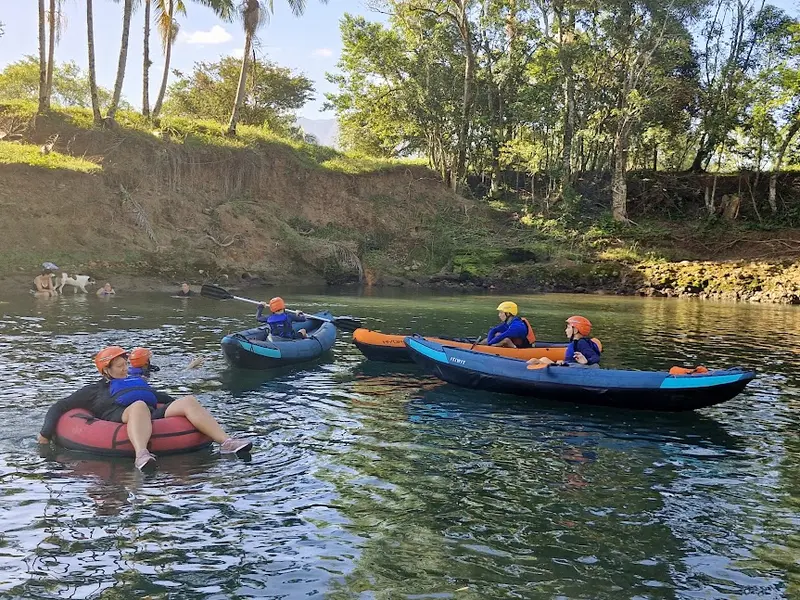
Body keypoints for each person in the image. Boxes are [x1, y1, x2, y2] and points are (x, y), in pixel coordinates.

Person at [37, 346, 252, 471]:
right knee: (139, 405)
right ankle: (142, 454)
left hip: (150, 412)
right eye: (119, 366)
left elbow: (161, 399)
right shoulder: (94, 390)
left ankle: (226, 442)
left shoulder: (136, 382)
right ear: (106, 371)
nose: (125, 369)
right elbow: (61, 405)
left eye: (125, 365)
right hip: (118, 417)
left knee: (188, 400)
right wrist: (45, 434)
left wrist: (180, 407)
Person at [528, 315, 601, 368]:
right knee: (543, 359)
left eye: (568, 327)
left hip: (570, 370)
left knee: (534, 360)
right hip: (569, 366)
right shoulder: (577, 342)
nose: (566, 330)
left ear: (575, 330)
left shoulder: (581, 343)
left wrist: (586, 361)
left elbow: (595, 358)